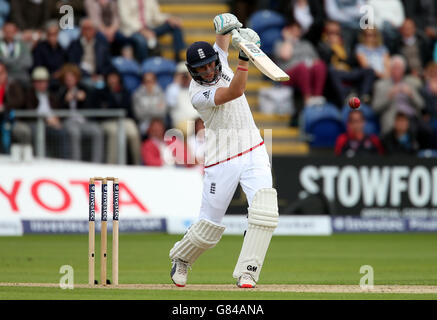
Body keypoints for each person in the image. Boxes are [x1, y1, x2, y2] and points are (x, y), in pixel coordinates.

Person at [169, 14, 279, 289]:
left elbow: (223, 33)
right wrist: (244, 59)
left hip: (253, 146)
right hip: (222, 158)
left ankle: (248, 271)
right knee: (210, 226)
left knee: (265, 211)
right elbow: (235, 91)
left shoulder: (219, 56)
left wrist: (229, 24)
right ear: (192, 71)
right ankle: (182, 258)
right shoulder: (197, 94)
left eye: (210, 65)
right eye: (201, 69)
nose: (208, 72)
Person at [318, 20, 375, 106]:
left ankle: (364, 97)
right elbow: (324, 63)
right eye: (331, 32)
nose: (334, 35)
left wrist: (341, 52)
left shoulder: (346, 43)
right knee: (332, 71)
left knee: (369, 70)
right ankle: (345, 99)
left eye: (336, 33)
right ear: (326, 32)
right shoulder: (322, 44)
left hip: (348, 71)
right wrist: (332, 47)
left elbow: (352, 61)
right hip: (335, 73)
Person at [58, 64, 104, 163]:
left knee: (97, 131)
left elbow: (92, 108)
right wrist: (65, 101)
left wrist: (84, 100)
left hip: (83, 121)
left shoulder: (84, 89)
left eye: (72, 77)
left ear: (76, 78)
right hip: (68, 120)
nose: (69, 80)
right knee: (74, 132)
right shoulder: (60, 90)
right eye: (67, 78)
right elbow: (57, 109)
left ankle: (97, 162)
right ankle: (76, 163)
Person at [274, 22, 327, 107]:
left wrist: (311, 64)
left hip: (308, 72)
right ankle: (307, 99)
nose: (295, 32)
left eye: (297, 30)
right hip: (288, 75)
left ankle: (318, 96)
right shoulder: (280, 44)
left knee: (320, 65)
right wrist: (288, 39)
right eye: (292, 30)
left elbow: (316, 61)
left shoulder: (306, 44)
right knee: (302, 67)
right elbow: (285, 56)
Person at [96, 71, 142, 165]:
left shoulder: (125, 92)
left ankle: (138, 164)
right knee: (115, 133)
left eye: (115, 77)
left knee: (133, 132)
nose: (113, 80)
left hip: (124, 120)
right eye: (110, 78)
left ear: (119, 79)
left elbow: (129, 111)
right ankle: (111, 165)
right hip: (107, 121)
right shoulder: (100, 92)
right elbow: (100, 111)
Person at [118, 0, 185, 62]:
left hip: (149, 28)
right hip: (132, 30)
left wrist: (169, 18)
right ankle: (144, 66)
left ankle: (178, 57)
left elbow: (156, 16)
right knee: (141, 41)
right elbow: (125, 19)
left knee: (175, 25)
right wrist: (142, 30)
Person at [24, 67, 70, 159]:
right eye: (38, 81)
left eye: (44, 81)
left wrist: (56, 119)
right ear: (34, 83)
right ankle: (41, 159)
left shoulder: (51, 96)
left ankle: (63, 160)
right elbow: (30, 112)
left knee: (64, 131)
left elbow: (58, 109)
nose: (41, 84)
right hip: (37, 122)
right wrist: (47, 120)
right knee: (38, 132)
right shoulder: (29, 95)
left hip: (53, 122)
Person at [372, 55, 425, 134]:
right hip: (392, 119)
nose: (396, 71)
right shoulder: (380, 85)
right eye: (394, 68)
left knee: (427, 130)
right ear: (390, 69)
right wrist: (389, 96)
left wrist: (411, 95)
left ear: (403, 70)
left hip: (411, 118)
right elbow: (375, 108)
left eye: (399, 68)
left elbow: (421, 105)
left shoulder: (412, 82)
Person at [67, 18, 113, 89]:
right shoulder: (74, 45)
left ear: (94, 30)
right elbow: (73, 63)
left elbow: (107, 64)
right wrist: (88, 75)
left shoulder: (101, 45)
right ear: (81, 30)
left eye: (90, 28)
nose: (88, 31)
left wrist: (100, 75)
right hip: (81, 76)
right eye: (85, 28)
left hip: (99, 76)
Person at [166, 62, 200, 135]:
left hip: (197, 122)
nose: (185, 77)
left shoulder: (196, 88)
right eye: (182, 75)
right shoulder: (172, 88)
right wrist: (177, 83)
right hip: (180, 122)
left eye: (187, 74)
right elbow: (171, 103)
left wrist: (191, 81)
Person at [132, 72, 167, 137]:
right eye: (147, 81)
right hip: (144, 122)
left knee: (158, 128)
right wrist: (155, 109)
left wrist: (147, 110)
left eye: (151, 81)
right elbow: (138, 114)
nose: (149, 84)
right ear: (143, 83)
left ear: (155, 82)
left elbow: (162, 112)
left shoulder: (161, 93)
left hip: (159, 121)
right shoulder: (137, 94)